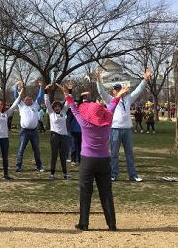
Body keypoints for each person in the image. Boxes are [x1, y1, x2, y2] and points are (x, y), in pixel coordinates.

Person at [59, 83, 127, 232]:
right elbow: (112, 107)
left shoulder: (85, 123)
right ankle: (112, 224)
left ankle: (84, 223)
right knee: (106, 192)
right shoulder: (108, 120)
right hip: (104, 160)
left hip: (88, 160)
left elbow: (74, 109)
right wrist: (118, 95)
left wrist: (67, 95)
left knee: (85, 191)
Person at [95, 69, 150, 182]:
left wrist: (145, 80)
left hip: (127, 130)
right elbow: (101, 92)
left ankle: (133, 175)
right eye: (116, 89)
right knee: (114, 154)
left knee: (129, 154)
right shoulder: (109, 100)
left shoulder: (128, 98)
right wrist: (97, 80)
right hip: (115, 130)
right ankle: (113, 175)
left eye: (119, 89)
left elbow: (138, 91)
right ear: (113, 91)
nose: (118, 91)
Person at [14, 81, 45, 173]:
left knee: (36, 150)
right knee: (21, 149)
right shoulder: (21, 105)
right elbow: (16, 97)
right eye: (26, 99)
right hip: (24, 132)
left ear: (32, 100)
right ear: (24, 100)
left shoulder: (35, 105)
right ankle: (18, 166)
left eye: (30, 99)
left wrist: (41, 87)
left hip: (34, 132)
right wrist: (16, 86)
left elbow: (40, 97)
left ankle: (39, 166)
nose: (28, 100)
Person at [44, 84, 70, 180]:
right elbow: (46, 102)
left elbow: (68, 101)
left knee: (63, 156)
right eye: (55, 106)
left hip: (63, 137)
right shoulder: (51, 113)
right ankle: (52, 174)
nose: (57, 108)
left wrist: (68, 91)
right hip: (54, 136)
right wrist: (46, 91)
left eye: (59, 106)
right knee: (54, 155)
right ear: (53, 108)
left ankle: (65, 174)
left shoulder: (63, 112)